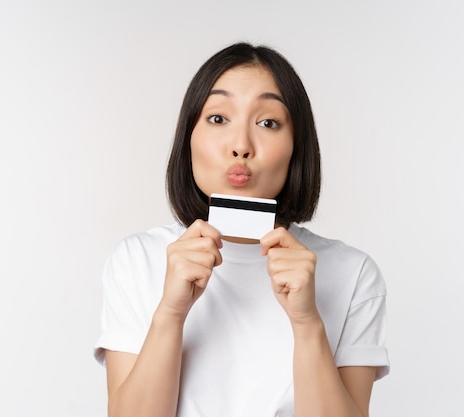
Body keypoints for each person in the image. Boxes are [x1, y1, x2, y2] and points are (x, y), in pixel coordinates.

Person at [94, 42, 389, 417]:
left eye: (268, 123)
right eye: (218, 118)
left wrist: (307, 322)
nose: (241, 146)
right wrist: (170, 312)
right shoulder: (136, 260)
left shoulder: (353, 274)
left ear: (296, 146)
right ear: (189, 136)